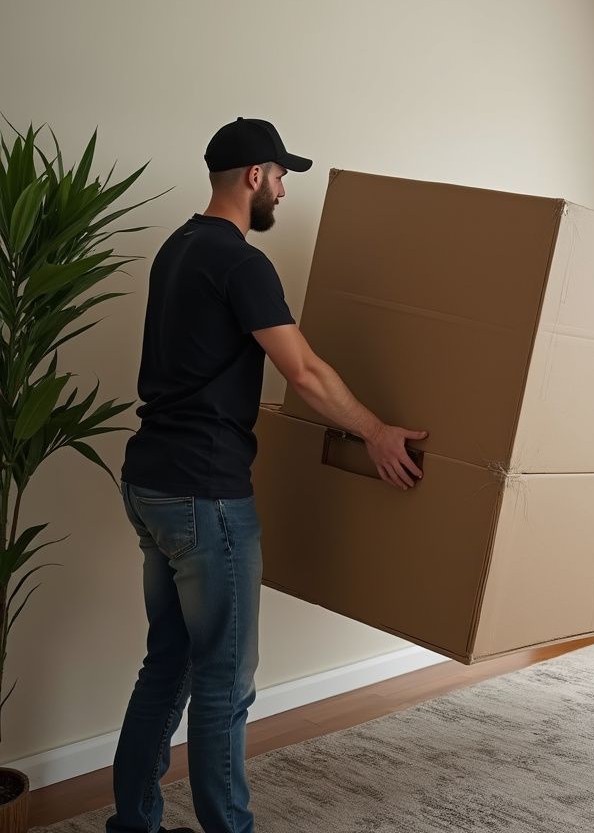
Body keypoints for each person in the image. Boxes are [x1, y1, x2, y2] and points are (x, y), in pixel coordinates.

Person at [108, 118, 427, 833]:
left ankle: (133, 824)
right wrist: (375, 431)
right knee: (224, 684)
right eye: (281, 177)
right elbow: (306, 368)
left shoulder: (178, 248)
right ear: (255, 176)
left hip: (152, 482)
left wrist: (244, 399)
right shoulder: (243, 262)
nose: (282, 190)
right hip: (206, 495)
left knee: (168, 665)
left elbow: (197, 361)